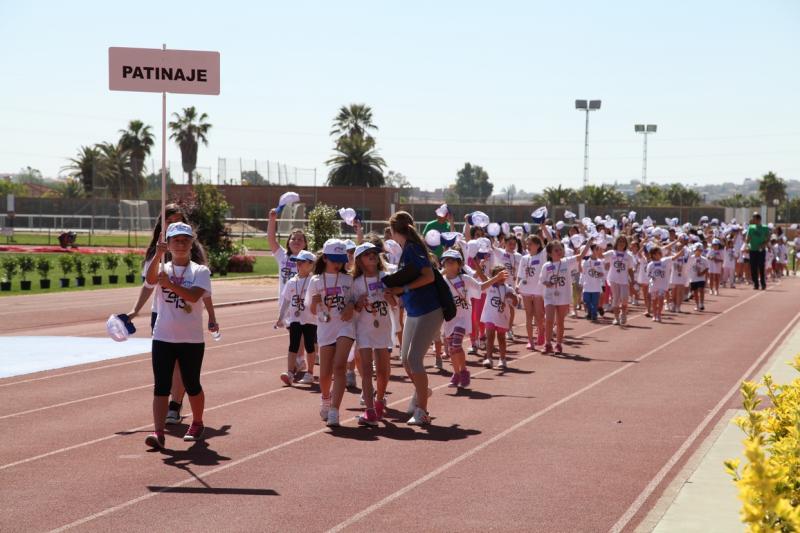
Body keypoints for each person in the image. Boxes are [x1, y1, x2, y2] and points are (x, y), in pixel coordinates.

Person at [128, 203, 218, 426]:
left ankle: (175, 405)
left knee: (183, 369)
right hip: (161, 315)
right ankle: (160, 424)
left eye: (179, 220)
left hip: (187, 317)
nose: (174, 225)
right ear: (163, 224)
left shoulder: (194, 256)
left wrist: (212, 316)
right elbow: (148, 284)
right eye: (169, 221)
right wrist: (136, 310)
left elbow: (202, 291)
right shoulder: (157, 253)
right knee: (165, 371)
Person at [143, 222, 213, 449]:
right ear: (169, 244)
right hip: (163, 336)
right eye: (176, 240)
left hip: (191, 340)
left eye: (185, 240)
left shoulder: (200, 271)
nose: (181, 244)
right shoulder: (163, 268)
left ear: (192, 243)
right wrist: (157, 255)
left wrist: (171, 285)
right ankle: (158, 432)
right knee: (161, 386)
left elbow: (194, 296)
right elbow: (150, 280)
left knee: (192, 384)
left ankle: (198, 422)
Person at [384, 211, 443, 426]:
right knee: (405, 360)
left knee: (415, 359)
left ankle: (423, 411)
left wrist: (403, 287)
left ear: (393, 230)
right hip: (413, 311)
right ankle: (422, 391)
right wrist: (395, 292)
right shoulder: (406, 251)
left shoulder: (412, 249)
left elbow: (427, 276)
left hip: (429, 311)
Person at [306, 239, 355, 427]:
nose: (338, 264)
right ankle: (326, 399)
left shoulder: (348, 279)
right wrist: (316, 302)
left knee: (339, 366)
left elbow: (354, 300)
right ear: (325, 258)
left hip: (345, 326)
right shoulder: (315, 280)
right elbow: (311, 310)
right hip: (325, 327)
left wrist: (351, 305)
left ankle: (335, 410)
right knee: (325, 373)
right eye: (334, 259)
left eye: (341, 260)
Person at [352, 243, 396, 426]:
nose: (372, 256)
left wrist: (390, 297)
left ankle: (379, 401)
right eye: (367, 254)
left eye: (374, 253)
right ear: (359, 260)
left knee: (384, 371)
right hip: (364, 329)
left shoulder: (386, 277)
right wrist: (359, 303)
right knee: (367, 371)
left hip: (383, 328)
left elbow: (395, 303)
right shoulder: (355, 283)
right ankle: (369, 410)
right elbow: (352, 309)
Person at [276, 250, 317, 386]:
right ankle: (289, 373)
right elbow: (286, 301)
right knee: (293, 345)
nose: (298, 264)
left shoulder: (314, 281)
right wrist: (281, 317)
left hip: (310, 319)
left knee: (309, 346)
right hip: (295, 319)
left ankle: (310, 372)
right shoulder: (291, 282)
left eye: (302, 261)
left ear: (311, 264)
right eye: (297, 262)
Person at [480, 266, 518, 370]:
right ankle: (489, 358)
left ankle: (502, 359)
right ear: (494, 276)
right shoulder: (490, 286)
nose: (501, 277)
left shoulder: (508, 288)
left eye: (503, 274)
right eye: (498, 275)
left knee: (501, 338)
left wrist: (513, 297)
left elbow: (515, 304)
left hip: (502, 317)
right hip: (490, 317)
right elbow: (481, 277)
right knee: (490, 337)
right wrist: (474, 261)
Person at [745, 212, 769, 290]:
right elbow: (747, 240)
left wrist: (763, 245)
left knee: (761, 266)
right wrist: (747, 245)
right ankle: (756, 283)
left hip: (761, 250)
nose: (753, 220)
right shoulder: (751, 227)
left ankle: (763, 283)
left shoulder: (765, 228)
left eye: (754, 218)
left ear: (758, 219)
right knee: (753, 267)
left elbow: (768, 239)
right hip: (753, 250)